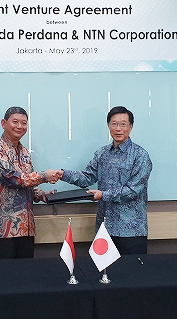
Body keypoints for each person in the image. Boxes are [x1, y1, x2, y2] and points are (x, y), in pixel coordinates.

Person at [57, 106, 152, 255]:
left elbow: (133, 190)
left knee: (132, 275)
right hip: (105, 228)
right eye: (114, 124)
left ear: (131, 127)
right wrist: (62, 174)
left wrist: (103, 195)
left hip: (131, 230)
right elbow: (87, 177)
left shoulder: (140, 156)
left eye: (123, 124)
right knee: (104, 275)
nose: (118, 128)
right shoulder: (101, 153)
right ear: (108, 126)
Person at [0, 106, 59, 260]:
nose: (20, 126)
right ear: (4, 123)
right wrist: (45, 176)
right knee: (4, 277)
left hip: (26, 226)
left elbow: (27, 182)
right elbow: (14, 179)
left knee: (25, 277)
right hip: (2, 228)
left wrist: (40, 194)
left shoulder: (25, 151)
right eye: (15, 122)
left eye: (24, 123)